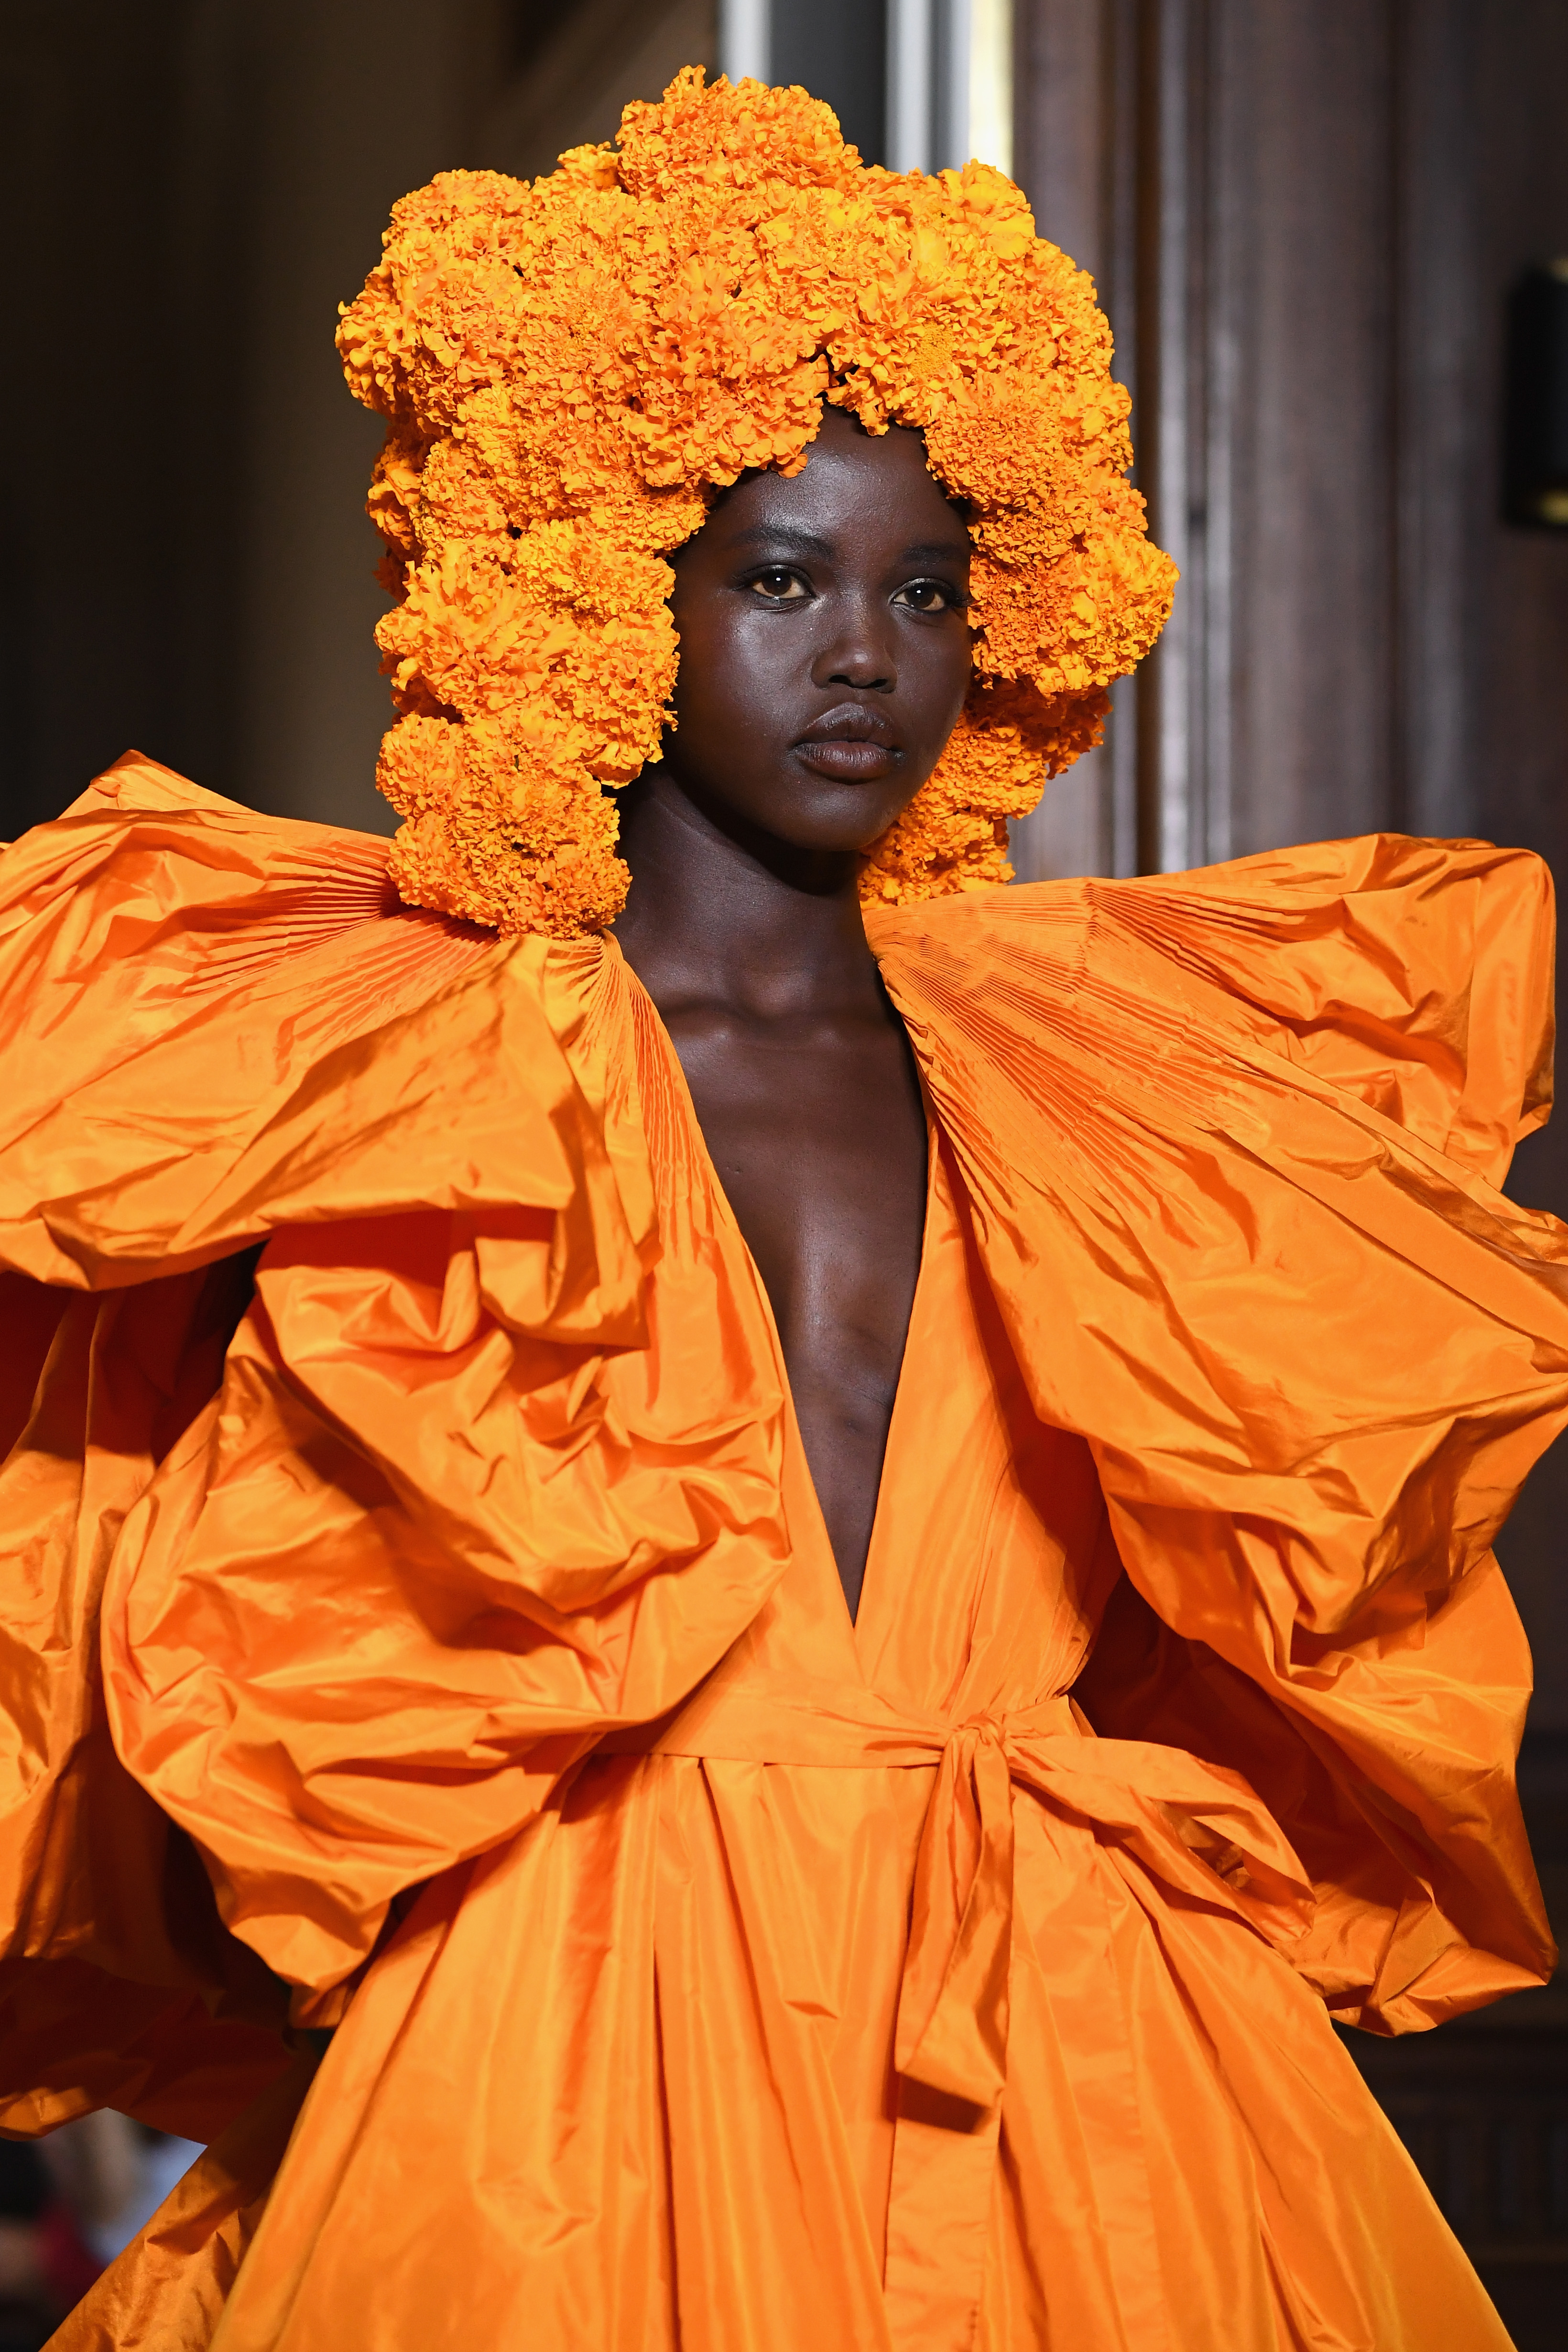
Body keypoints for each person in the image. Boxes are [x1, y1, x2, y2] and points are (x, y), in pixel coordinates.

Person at [0, 67, 1562, 2352]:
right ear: (608, 589)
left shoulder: (1106, 1056)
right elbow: (161, 1555)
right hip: (565, 2022)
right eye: (781, 575)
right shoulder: (412, 1058)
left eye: (928, 587)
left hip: (1068, 2031)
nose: (866, 655)